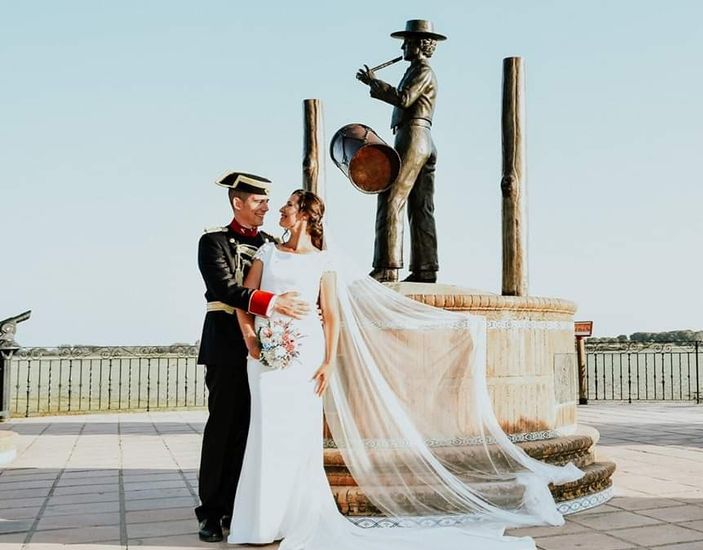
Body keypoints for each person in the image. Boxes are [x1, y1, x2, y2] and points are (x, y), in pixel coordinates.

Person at [227, 189, 584, 549]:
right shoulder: (268, 253)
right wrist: (251, 342)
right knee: (266, 432)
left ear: (304, 214)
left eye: (288, 205)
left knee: (300, 438)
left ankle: (294, 517)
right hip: (266, 357)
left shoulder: (324, 262)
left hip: (306, 355)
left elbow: (332, 318)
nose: (281, 210)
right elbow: (243, 301)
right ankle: (259, 523)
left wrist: (328, 362)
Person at [195, 172, 311, 542]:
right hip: (227, 345)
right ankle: (211, 511)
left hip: (270, 347)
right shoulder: (212, 241)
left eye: (268, 201)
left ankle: (240, 509)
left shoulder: (271, 244)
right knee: (224, 428)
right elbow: (225, 289)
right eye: (259, 201)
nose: (267, 207)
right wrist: (275, 304)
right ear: (238, 203)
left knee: (255, 430)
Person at [357, 20, 444, 284]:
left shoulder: (423, 72)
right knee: (420, 206)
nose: (404, 47)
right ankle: (425, 269)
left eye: (407, 42)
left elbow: (404, 98)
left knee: (390, 197)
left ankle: (387, 266)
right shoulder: (417, 70)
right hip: (422, 138)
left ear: (419, 45)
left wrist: (375, 82)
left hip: (413, 136)